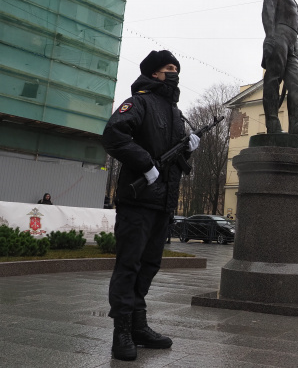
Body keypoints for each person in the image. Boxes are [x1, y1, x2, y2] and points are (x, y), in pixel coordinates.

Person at [101, 49, 200, 361]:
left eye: (176, 68)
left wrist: (188, 149)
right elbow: (113, 135)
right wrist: (145, 164)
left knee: (149, 266)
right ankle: (122, 332)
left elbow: (175, 160)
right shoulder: (140, 102)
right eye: (169, 68)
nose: (174, 73)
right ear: (155, 72)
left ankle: (138, 325)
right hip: (138, 201)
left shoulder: (176, 112)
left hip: (163, 203)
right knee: (129, 265)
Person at [261, 0, 298, 135]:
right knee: (273, 80)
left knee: (297, 86)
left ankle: (297, 130)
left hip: (292, 45)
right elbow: (268, 12)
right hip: (278, 36)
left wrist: (296, 48)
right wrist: (270, 37)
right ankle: (272, 123)